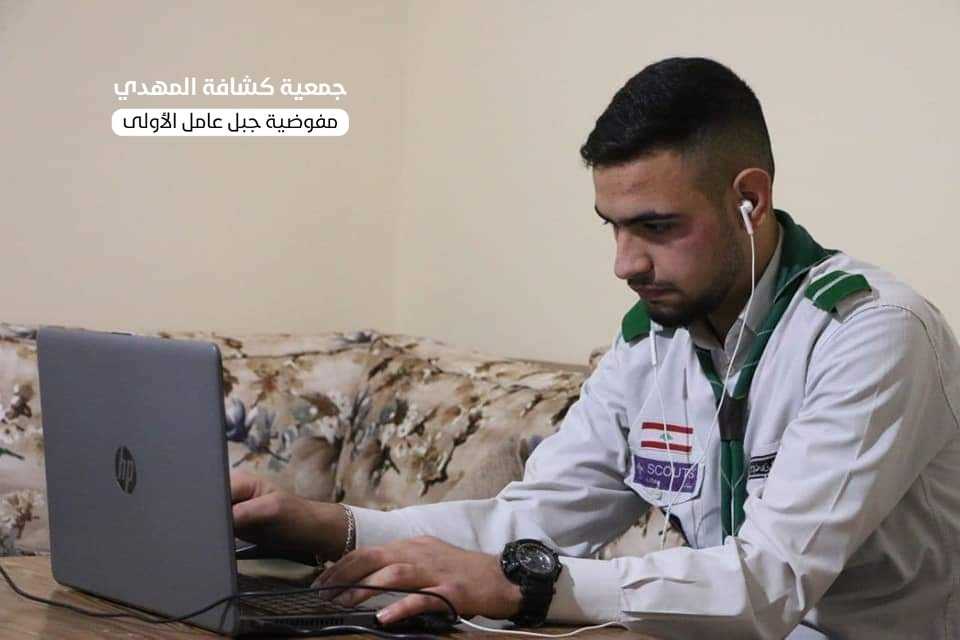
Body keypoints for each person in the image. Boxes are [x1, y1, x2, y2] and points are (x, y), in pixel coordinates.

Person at [231, 57, 960, 639]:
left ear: (751, 199)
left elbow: (768, 585)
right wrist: (331, 525)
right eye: (612, 226)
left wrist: (522, 585)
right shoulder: (653, 341)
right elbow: (540, 514)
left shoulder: (871, 334)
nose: (625, 264)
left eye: (657, 227)